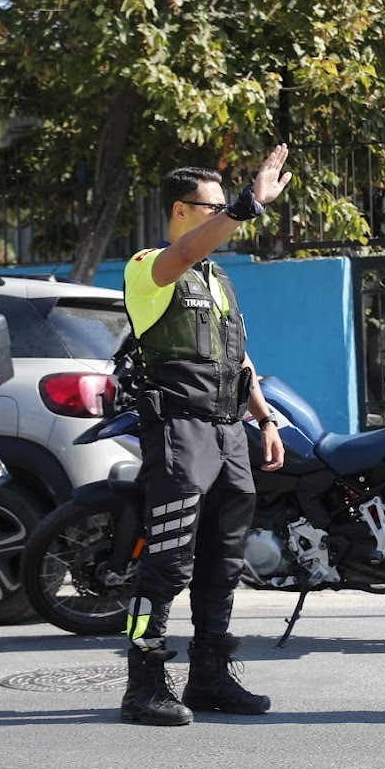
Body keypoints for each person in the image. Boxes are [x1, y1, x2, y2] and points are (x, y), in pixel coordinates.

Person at [118, 145, 292, 726]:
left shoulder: (217, 280)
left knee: (223, 560)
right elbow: (186, 253)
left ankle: (209, 675)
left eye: (226, 208)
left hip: (228, 430)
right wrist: (246, 207)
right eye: (212, 208)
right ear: (181, 211)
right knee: (167, 561)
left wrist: (265, 418)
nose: (224, 219)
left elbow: (238, 357)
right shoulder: (150, 267)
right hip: (179, 428)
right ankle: (143, 679)